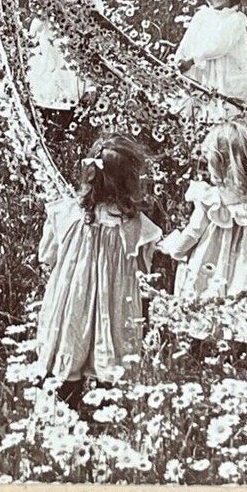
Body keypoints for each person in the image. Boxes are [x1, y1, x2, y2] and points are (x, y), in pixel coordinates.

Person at [34, 136, 162, 401]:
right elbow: (144, 269)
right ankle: (108, 407)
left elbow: (46, 256)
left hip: (72, 299)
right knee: (110, 346)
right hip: (113, 303)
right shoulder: (135, 225)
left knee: (71, 341)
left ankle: (65, 400)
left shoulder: (67, 213)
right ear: (130, 182)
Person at [159, 122, 247, 345]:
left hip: (211, 261)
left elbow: (194, 231)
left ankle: (207, 340)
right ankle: (243, 337)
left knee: (207, 293)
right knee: (245, 292)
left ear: (217, 163)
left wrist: (174, 249)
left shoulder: (211, 198)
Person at [174, 0, 247, 110]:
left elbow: (218, 46)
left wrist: (192, 60)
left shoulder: (235, 19)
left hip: (225, 76)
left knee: (228, 108)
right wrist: (180, 58)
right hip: (202, 73)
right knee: (198, 105)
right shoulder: (201, 15)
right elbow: (188, 41)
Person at [27, 0, 95, 131]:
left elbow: (93, 45)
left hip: (73, 72)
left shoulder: (90, 1)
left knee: (69, 127)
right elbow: (34, 31)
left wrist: (90, 85)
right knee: (43, 123)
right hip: (48, 67)